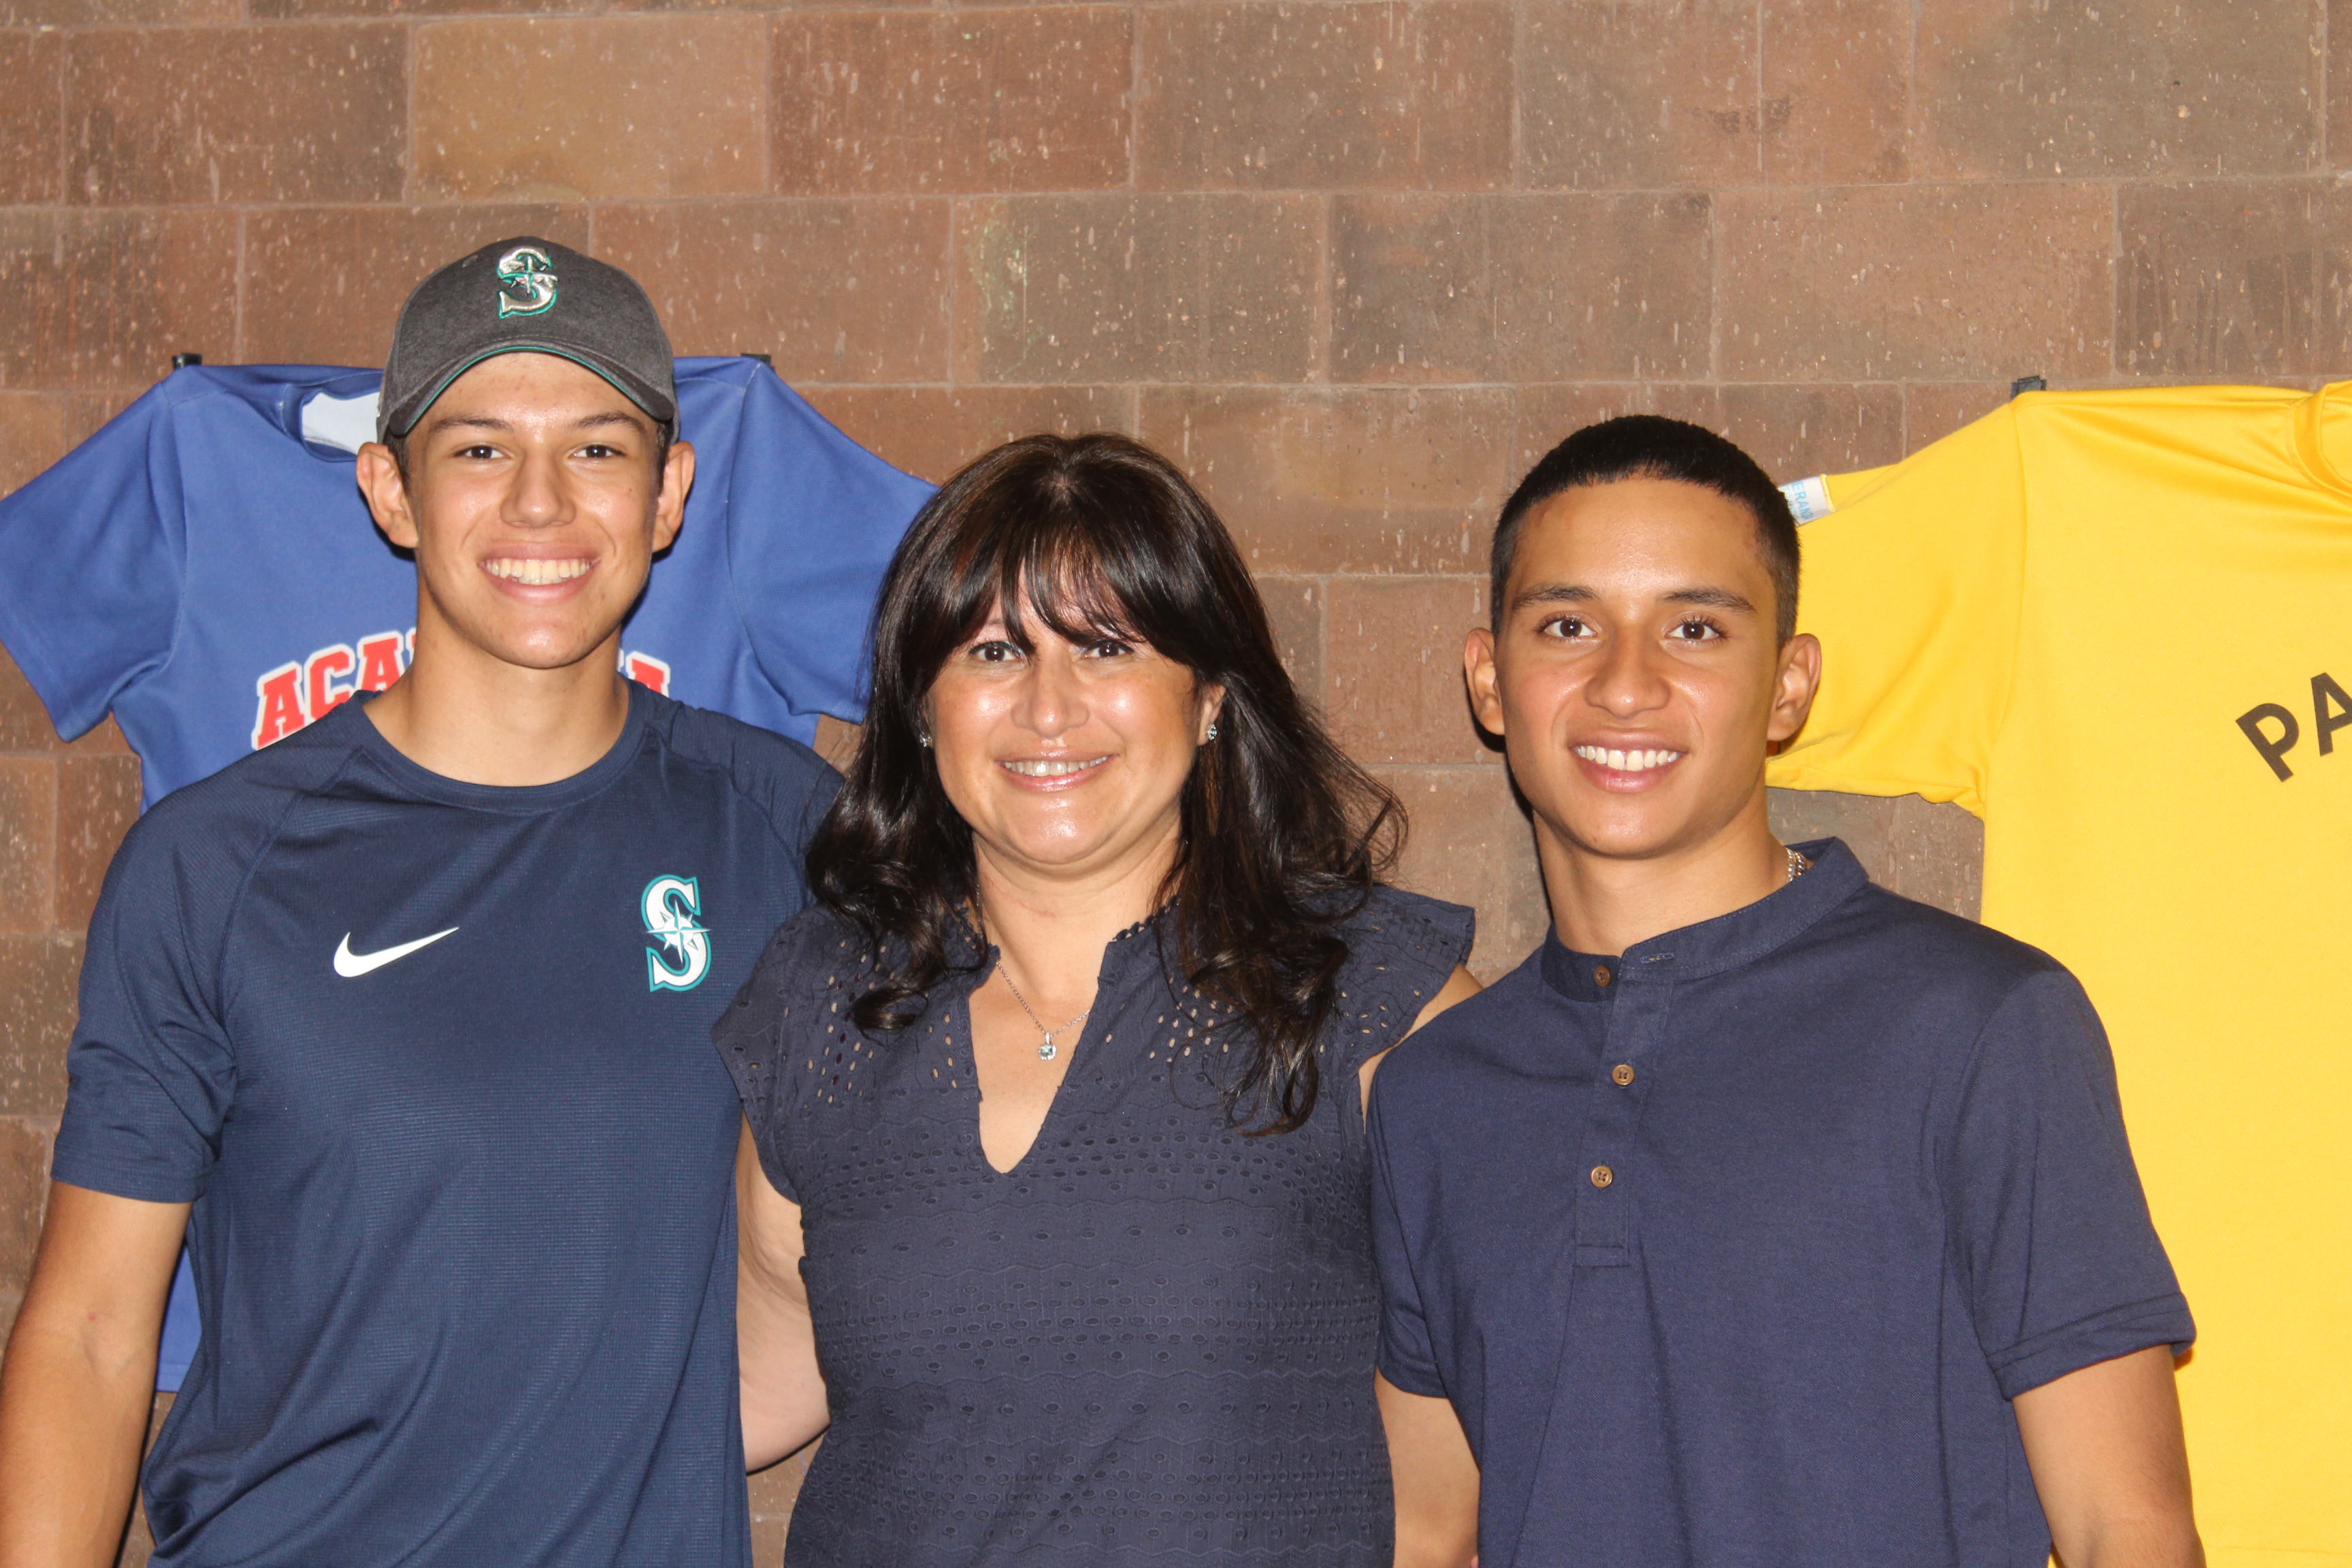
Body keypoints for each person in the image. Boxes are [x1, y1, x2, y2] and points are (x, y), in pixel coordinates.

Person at [0, 238, 843, 1566]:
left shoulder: (787, 830)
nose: (541, 504)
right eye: (479, 450)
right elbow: (96, 1330)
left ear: (671, 493)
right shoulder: (212, 863)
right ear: (390, 489)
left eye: (599, 450)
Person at [1368, 415, 2202, 1567]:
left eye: (1695, 628)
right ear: (1490, 680)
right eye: (1568, 626)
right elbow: (1427, 1534)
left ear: (1786, 688)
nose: (1625, 685)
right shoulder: (1430, 1095)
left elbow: (2128, 1531)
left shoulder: (1981, 1025)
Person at [717, 432, 1482, 1565]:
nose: (1048, 708)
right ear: (924, 707)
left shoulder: (1376, 1001)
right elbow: (753, 1380)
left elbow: (1446, 1512)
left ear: (1211, 697)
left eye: (1107, 648)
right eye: (990, 652)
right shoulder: (826, 1001)